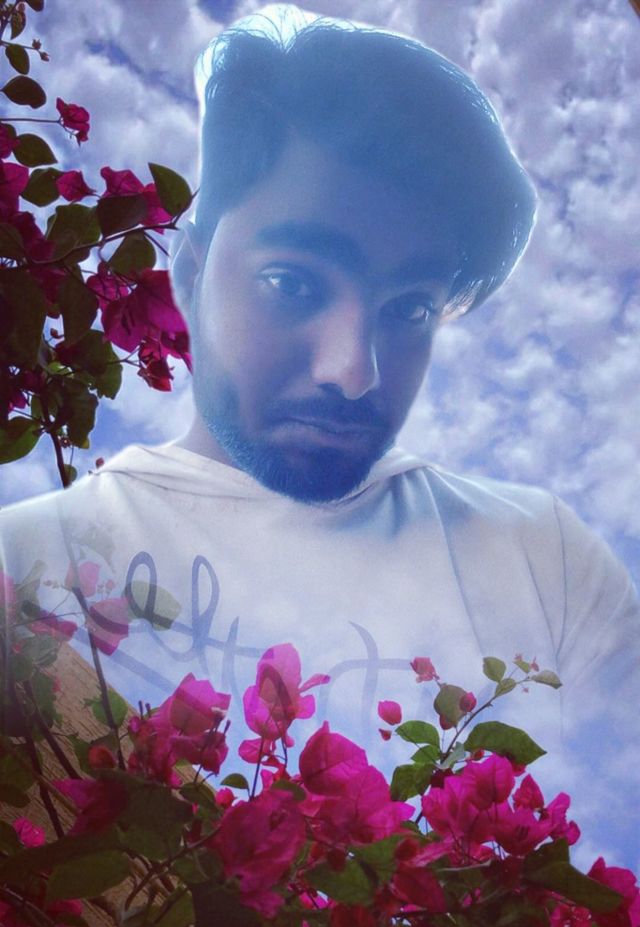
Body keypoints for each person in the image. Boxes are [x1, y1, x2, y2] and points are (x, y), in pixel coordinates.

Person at [1, 5, 639, 869]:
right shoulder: (22, 569)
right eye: (293, 284)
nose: (354, 371)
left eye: (410, 309)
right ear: (190, 270)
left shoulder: (545, 562)